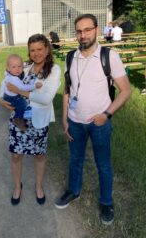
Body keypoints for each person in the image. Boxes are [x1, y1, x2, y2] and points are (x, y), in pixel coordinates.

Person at [55, 14, 131, 225]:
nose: (83, 35)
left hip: (99, 123)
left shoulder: (110, 56)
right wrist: (64, 119)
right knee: (75, 160)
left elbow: (125, 90)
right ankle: (73, 191)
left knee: (103, 164)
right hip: (75, 122)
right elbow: (68, 90)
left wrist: (106, 115)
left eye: (87, 30)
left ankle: (106, 202)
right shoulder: (71, 57)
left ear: (96, 30)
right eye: (79, 31)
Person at [0, 34, 61, 206]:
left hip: (39, 121)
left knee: (39, 155)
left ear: (47, 49)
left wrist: (18, 92)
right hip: (19, 121)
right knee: (16, 155)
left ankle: (39, 186)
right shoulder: (24, 67)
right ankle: (17, 186)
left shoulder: (53, 70)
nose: (36, 53)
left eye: (40, 49)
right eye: (32, 50)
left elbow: (45, 98)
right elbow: (6, 82)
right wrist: (1, 99)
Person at [3, 54, 42, 131]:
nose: (17, 69)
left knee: (20, 104)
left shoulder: (10, 74)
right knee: (22, 103)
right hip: (11, 98)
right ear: (8, 68)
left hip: (8, 95)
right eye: (14, 67)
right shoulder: (14, 79)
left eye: (19, 66)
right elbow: (23, 88)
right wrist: (35, 86)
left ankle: (19, 116)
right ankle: (18, 119)